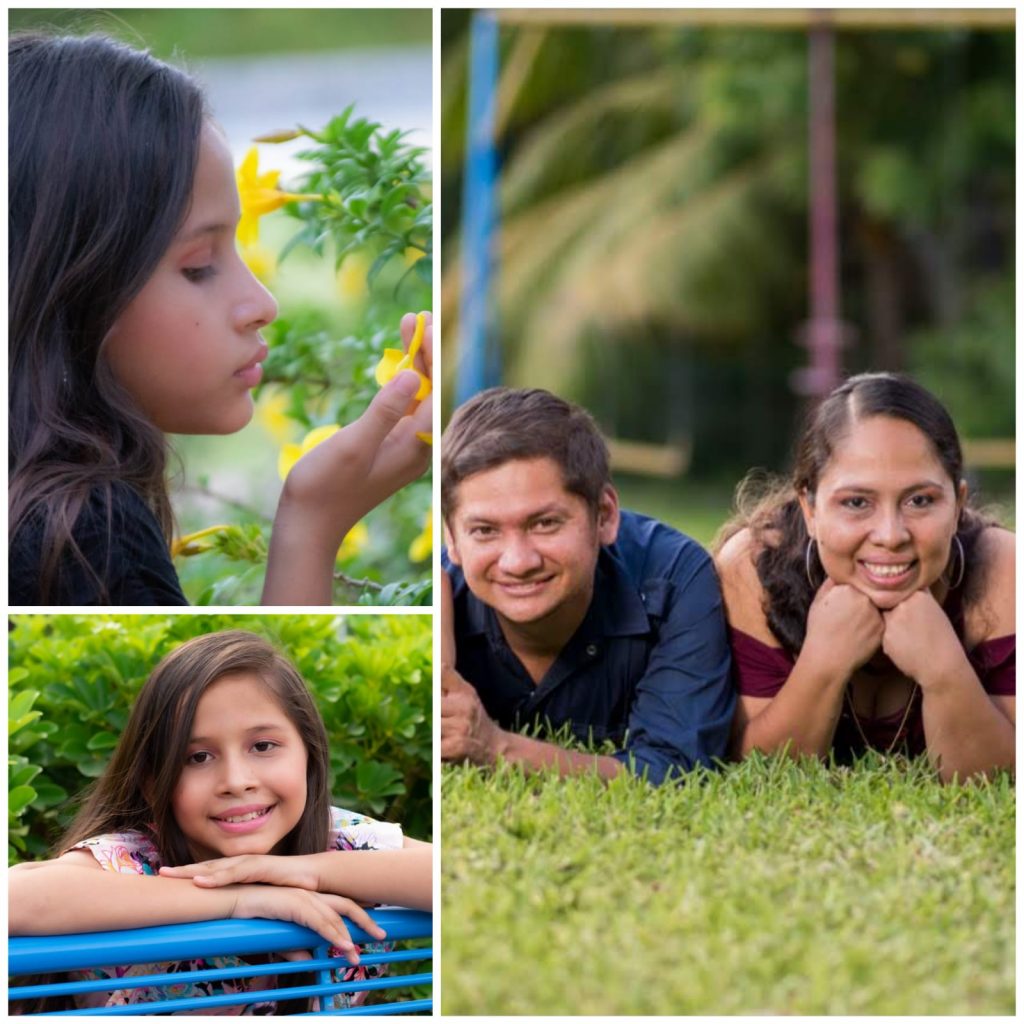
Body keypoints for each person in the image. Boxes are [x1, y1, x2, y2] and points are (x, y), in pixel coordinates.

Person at [9, 32, 431, 605]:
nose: (263, 304)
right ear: (74, 290)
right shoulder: (85, 538)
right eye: (199, 267)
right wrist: (311, 523)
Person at [8, 629, 432, 1013]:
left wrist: (306, 872)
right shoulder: (135, 860)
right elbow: (15, 897)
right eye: (198, 757)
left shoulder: (336, 841)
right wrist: (240, 899)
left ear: (309, 753)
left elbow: (456, 877)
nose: (236, 781)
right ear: (153, 782)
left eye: (263, 746)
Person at [714, 372, 1015, 781]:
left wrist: (944, 671)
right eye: (856, 502)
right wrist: (824, 662)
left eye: (920, 500)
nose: (890, 535)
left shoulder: (1004, 569)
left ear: (958, 505)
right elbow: (756, 773)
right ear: (810, 508)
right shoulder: (752, 567)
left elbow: (1001, 779)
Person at [440, 387, 735, 785]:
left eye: (545, 523)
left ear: (605, 516)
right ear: (451, 539)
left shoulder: (675, 580)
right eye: (485, 530)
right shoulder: (436, 594)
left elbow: (675, 768)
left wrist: (496, 748)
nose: (518, 562)